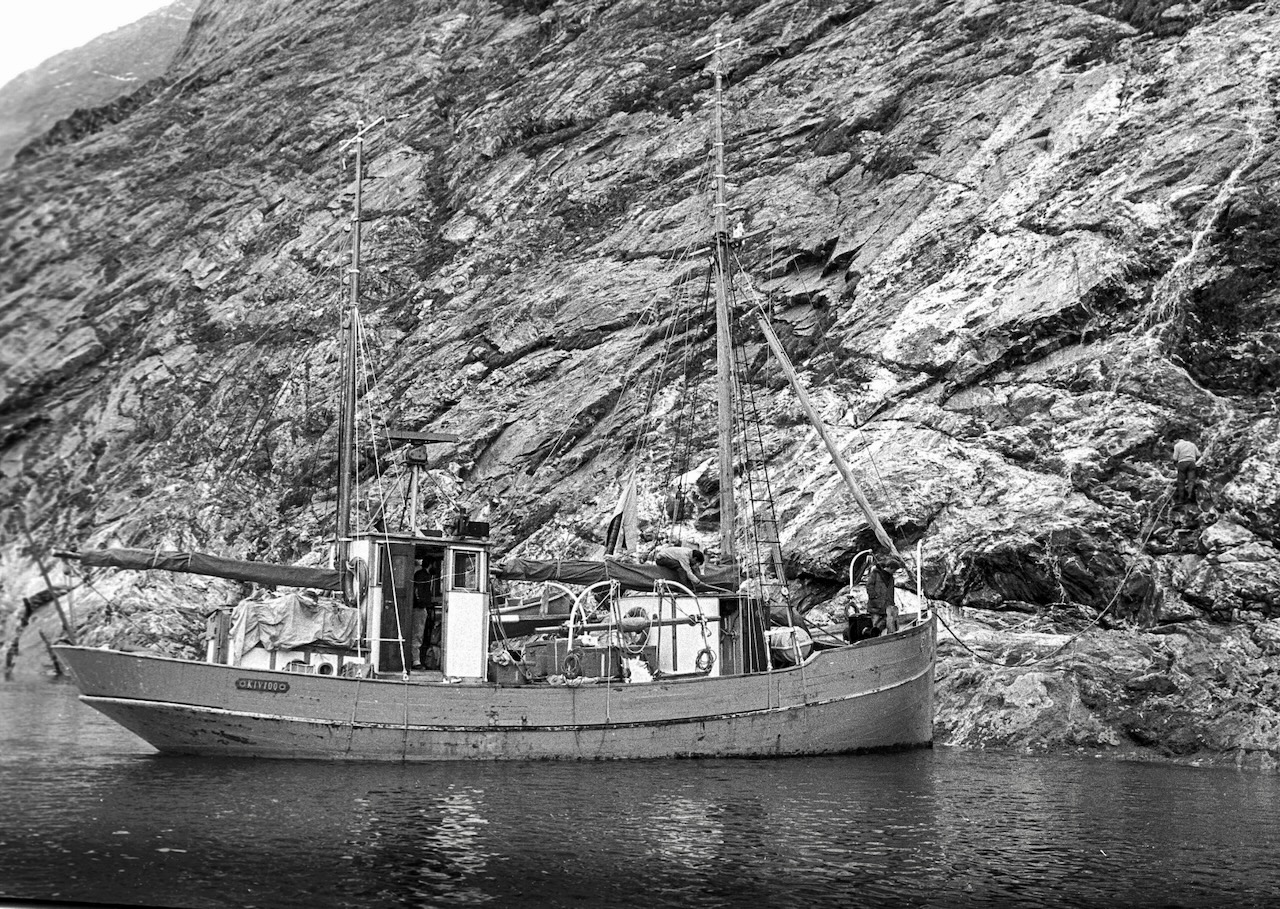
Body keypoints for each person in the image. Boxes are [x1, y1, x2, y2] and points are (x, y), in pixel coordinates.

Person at [865, 555, 901, 635]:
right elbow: (869, 585)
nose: (894, 572)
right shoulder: (875, 574)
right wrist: (874, 597)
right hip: (875, 606)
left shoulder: (891, 578)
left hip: (887, 606)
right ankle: (874, 639)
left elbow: (891, 592)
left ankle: (879, 635)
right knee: (875, 624)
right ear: (890, 568)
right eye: (894, 570)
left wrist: (891, 603)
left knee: (886, 622)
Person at [411, 560, 435, 670]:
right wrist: (422, 604)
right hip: (419, 608)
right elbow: (418, 591)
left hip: (419, 607)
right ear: (431, 564)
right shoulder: (423, 575)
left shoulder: (420, 574)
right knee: (418, 633)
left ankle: (416, 659)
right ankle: (416, 661)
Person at [1172, 438, 1200, 504]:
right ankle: (1190, 496)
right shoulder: (1192, 444)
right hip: (1191, 463)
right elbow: (1198, 454)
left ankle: (1181, 499)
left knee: (1181, 481)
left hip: (1182, 463)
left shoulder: (1177, 446)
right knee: (1191, 480)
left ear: (1177, 440)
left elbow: (1175, 458)